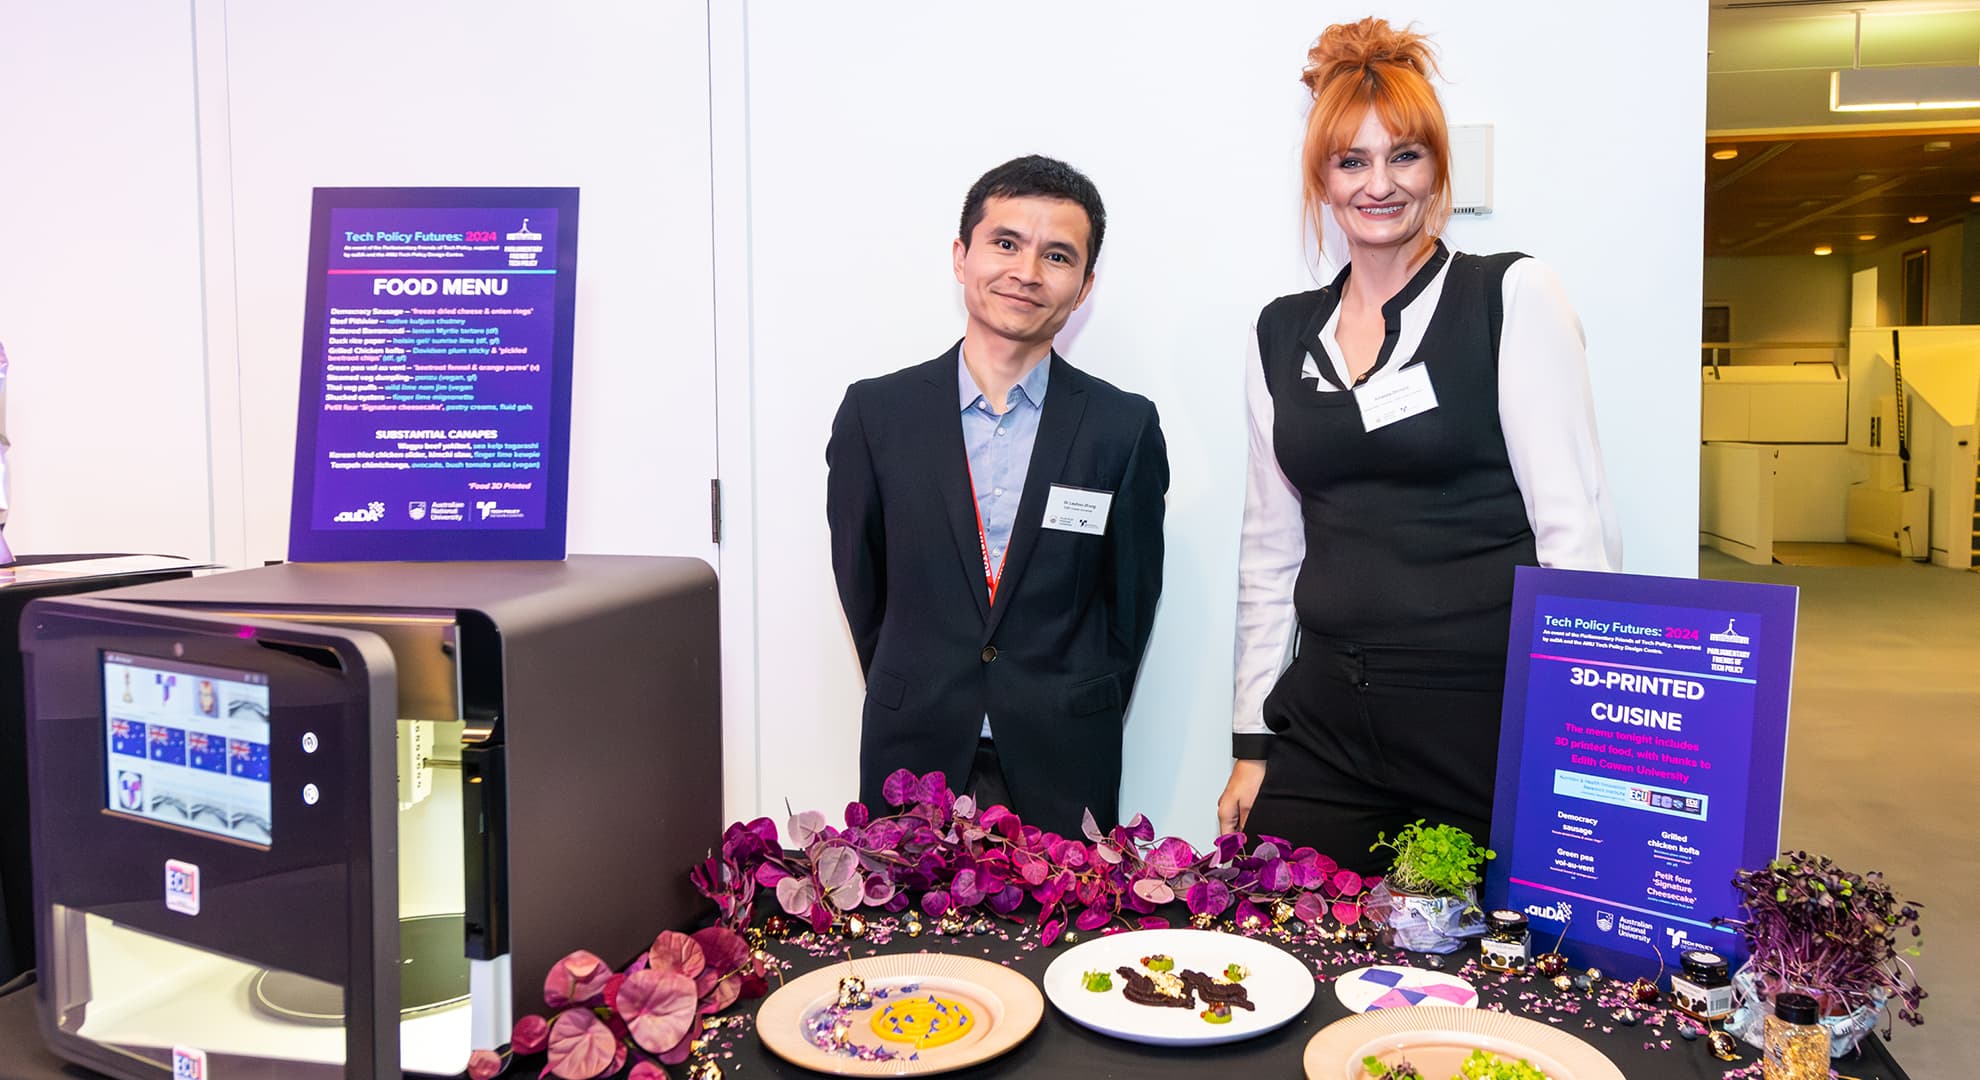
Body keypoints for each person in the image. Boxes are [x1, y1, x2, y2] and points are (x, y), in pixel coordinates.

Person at [1216, 19, 1621, 872]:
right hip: (1327, 719)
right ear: (1321, 178)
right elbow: (1269, 550)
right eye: (1351, 161)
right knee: (1287, 953)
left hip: (1479, 716)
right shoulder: (1279, 332)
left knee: (1484, 984)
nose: (1379, 185)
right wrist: (1253, 740)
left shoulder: (1509, 295)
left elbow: (1575, 532)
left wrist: (1578, 741)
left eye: (1404, 156)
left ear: (1439, 166)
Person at [827, 155, 1168, 838]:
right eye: (1006, 243)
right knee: (910, 947)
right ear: (962, 256)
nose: (1027, 272)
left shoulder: (1122, 428)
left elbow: (1128, 609)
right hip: (912, 751)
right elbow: (862, 588)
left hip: (1065, 759)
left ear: (1085, 285)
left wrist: (1071, 702)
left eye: (1058, 256)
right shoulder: (876, 415)